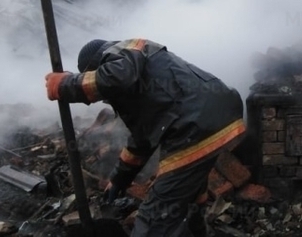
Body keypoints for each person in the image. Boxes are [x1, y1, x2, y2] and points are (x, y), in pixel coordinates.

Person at [45, 38, 246, 237]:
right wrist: (119, 180)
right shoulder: (138, 77)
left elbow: (116, 78)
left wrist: (66, 84)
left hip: (194, 126)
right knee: (188, 198)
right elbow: (141, 140)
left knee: (155, 217)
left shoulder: (122, 53)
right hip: (214, 118)